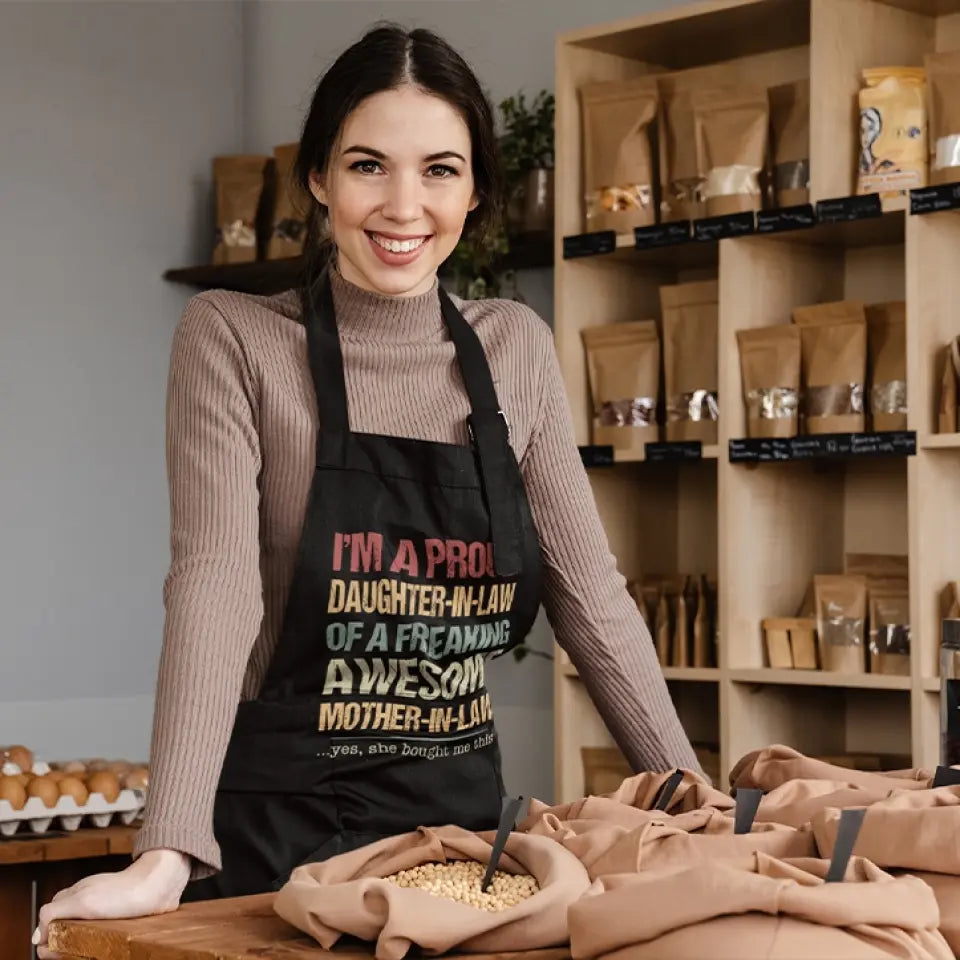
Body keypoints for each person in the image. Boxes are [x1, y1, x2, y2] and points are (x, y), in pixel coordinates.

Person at [35, 23, 700, 956]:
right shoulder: (233, 339)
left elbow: (590, 595)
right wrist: (168, 847)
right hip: (276, 839)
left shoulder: (514, 347)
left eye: (438, 169)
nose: (403, 205)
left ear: (474, 190)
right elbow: (216, 581)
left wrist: (694, 805)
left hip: (464, 843)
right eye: (367, 165)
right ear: (318, 178)